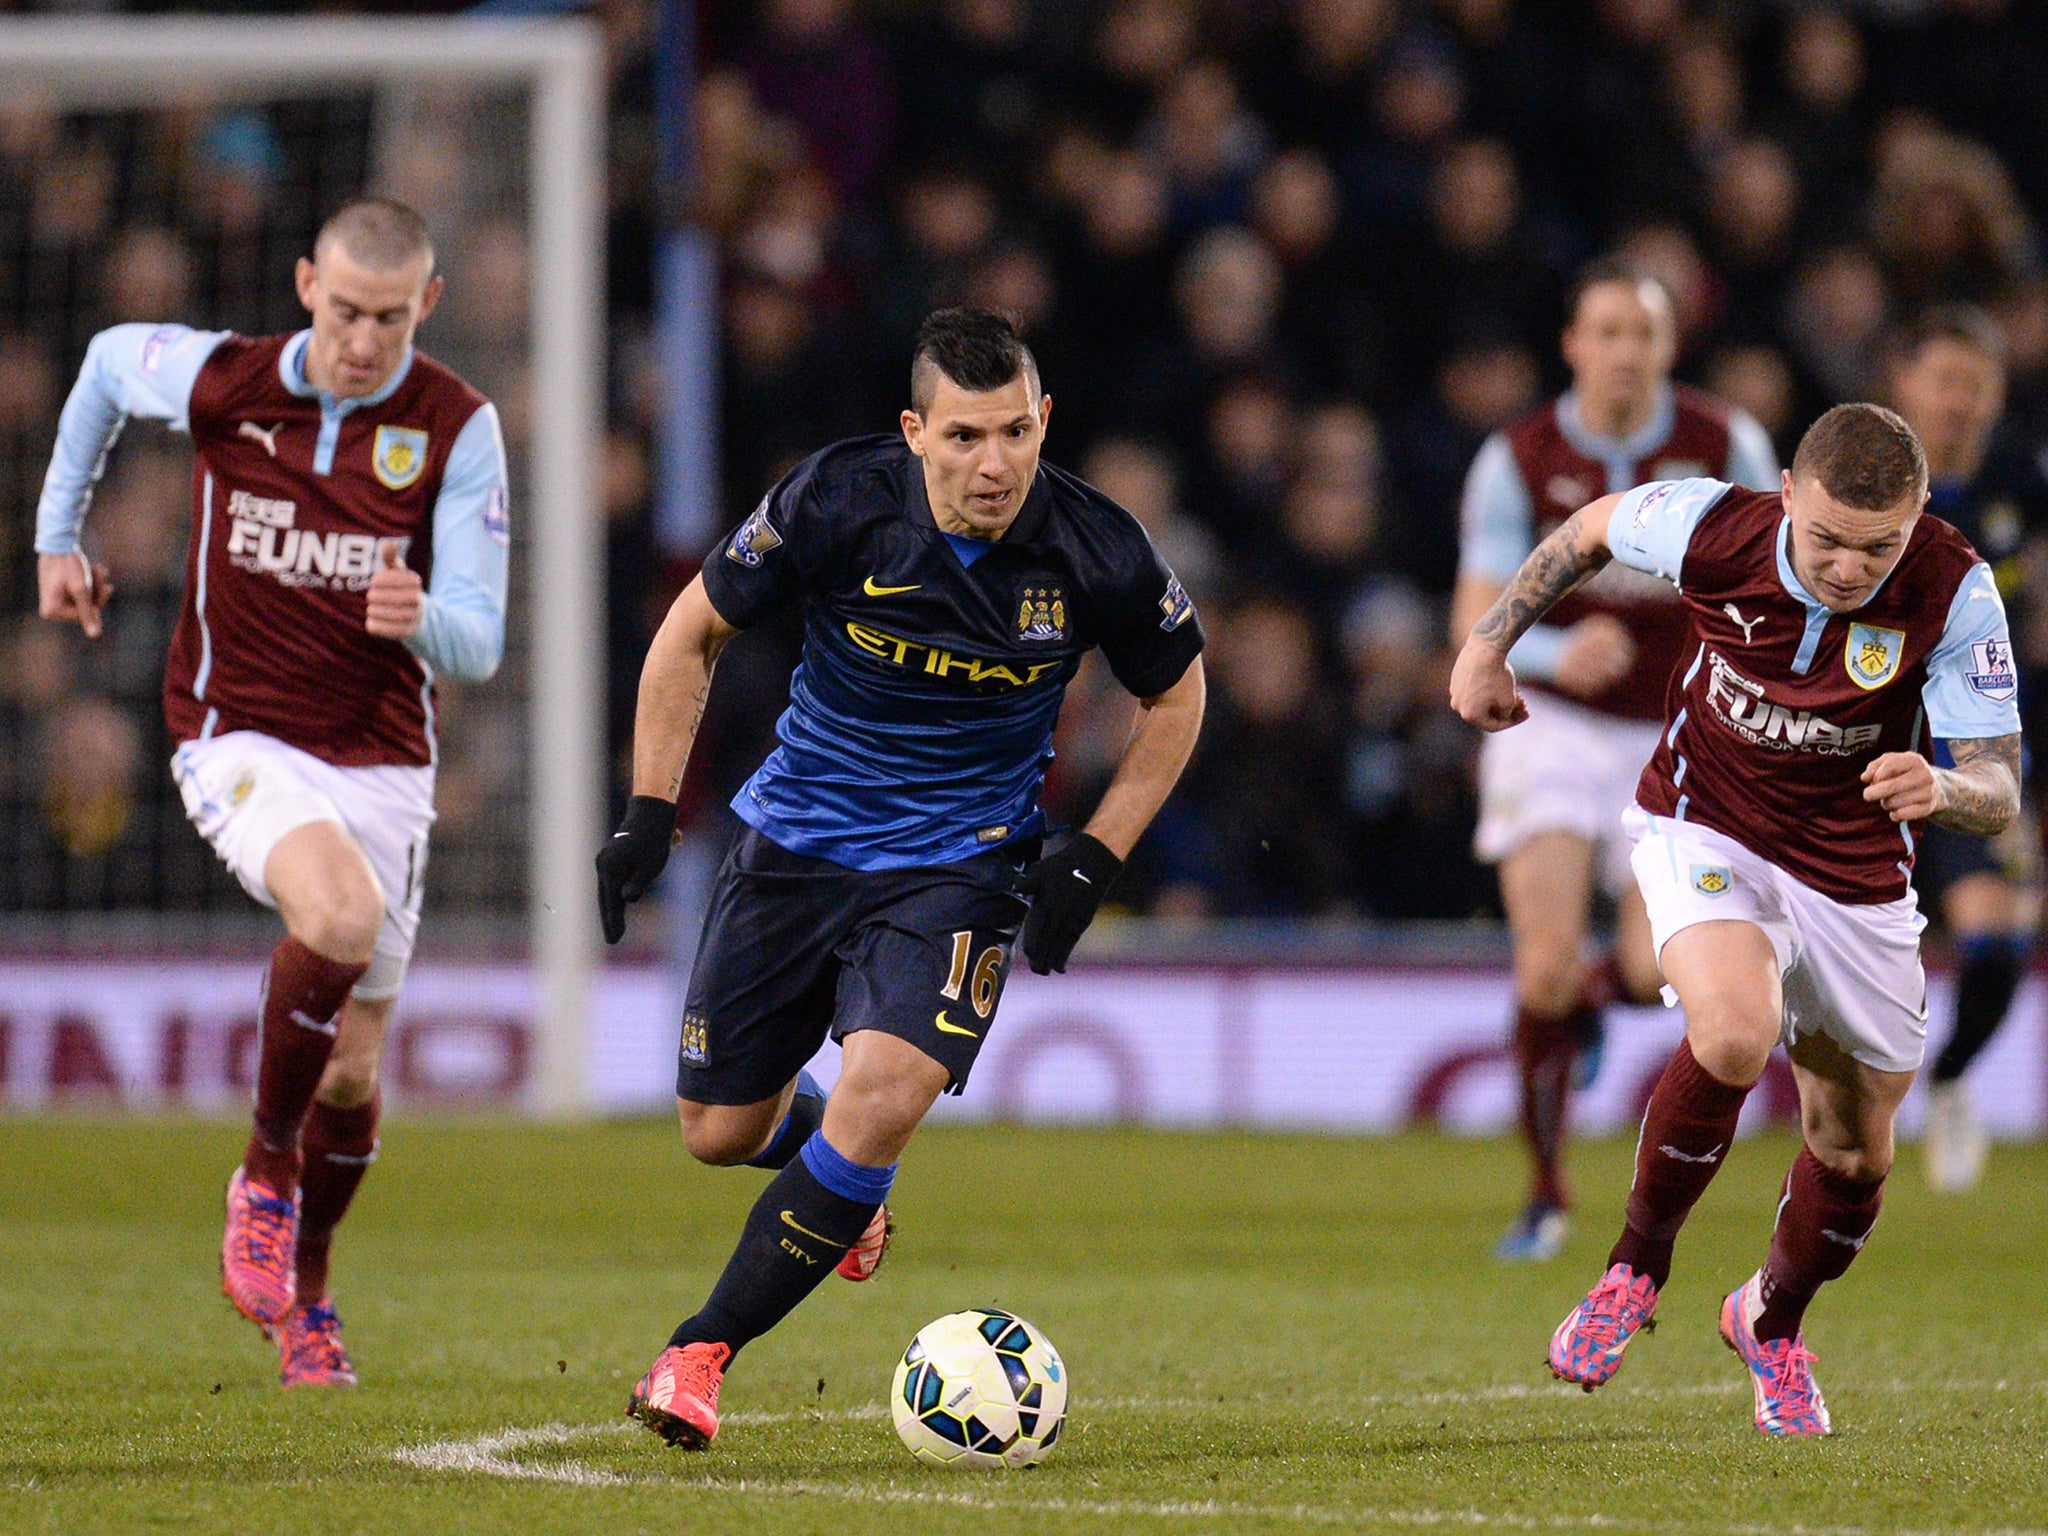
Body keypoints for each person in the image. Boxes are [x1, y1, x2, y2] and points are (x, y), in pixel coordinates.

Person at [596, 307, 1206, 1450]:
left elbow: (1179, 696)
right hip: (795, 845)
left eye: (1016, 433)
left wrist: (1096, 851)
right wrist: (644, 815)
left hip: (961, 867)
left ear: (1044, 422)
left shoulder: (1094, 546)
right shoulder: (835, 499)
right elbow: (690, 636)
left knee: (889, 1096)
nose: (995, 464)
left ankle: (696, 1353)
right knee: (717, 1131)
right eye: (967, 437)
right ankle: (834, 1177)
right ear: (915, 432)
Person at [1450, 403, 2022, 1436]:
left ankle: (1770, 1320)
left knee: (1853, 1155)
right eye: (1826, 541)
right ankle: (1632, 1269)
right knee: (1726, 1032)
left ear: (1916, 515)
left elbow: (1997, 784)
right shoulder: (1710, 524)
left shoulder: (1955, 587)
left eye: (1875, 547)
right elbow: (1582, 535)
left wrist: (1942, 788)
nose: (1849, 569)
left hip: (1851, 876)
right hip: (1702, 825)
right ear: (1788, 498)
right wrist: (1489, 646)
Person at [34, 198, 509, 1387]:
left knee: (353, 1073)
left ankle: (309, 1294)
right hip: (234, 733)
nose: (362, 338)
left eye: (389, 319)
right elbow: (100, 365)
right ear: (306, 285)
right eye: (345, 310)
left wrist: (426, 621)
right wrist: (58, 535)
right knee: (336, 916)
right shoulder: (227, 381)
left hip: (385, 760)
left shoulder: (456, 425)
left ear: (427, 308)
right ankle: (262, 1173)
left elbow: (481, 643)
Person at [1450, 259, 1780, 1260]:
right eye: (1605, 332)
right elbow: (1473, 617)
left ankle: (1604, 999)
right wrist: (1550, 649)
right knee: (1542, 967)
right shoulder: (1516, 457)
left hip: (1680, 733)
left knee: (1649, 974)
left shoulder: (1724, 444)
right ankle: (1545, 1194)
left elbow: (1775, 592)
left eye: (1641, 333)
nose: (1622, 352)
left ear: (1667, 348)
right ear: (1572, 345)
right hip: (1546, 725)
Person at [1885, 305, 2047, 1191]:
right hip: (1865, 745)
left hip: (1972, 748)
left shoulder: (2019, 477)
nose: (1962, 403)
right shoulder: (1865, 473)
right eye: (1946, 381)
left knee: (1995, 944)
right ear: (1902, 382)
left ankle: (1948, 1082)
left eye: (1978, 386)